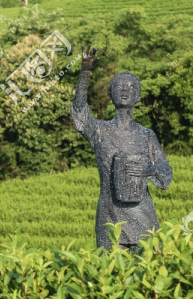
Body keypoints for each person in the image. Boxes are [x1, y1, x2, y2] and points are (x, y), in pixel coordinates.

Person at [72, 45, 172, 252]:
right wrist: (85, 73)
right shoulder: (100, 131)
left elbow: (166, 174)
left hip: (142, 214)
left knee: (148, 270)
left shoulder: (146, 135)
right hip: (110, 215)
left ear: (138, 97)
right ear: (111, 95)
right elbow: (80, 115)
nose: (125, 90)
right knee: (108, 274)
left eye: (130, 87)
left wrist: (148, 170)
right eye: (119, 87)